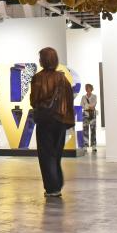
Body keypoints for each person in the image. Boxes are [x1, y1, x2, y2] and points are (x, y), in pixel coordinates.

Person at [30, 47, 76, 198]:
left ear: (43, 60)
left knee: (46, 155)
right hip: (60, 121)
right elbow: (69, 100)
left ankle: (52, 187)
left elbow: (33, 100)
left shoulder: (38, 78)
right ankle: (57, 183)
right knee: (56, 154)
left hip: (45, 120)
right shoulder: (62, 78)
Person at [80, 84, 97, 151]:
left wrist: (87, 105)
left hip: (92, 114)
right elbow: (81, 105)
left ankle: (94, 146)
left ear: (91, 89)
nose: (87, 89)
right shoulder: (83, 97)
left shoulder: (94, 96)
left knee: (93, 130)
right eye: (86, 88)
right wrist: (89, 106)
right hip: (85, 114)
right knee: (85, 130)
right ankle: (85, 146)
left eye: (89, 88)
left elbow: (94, 104)